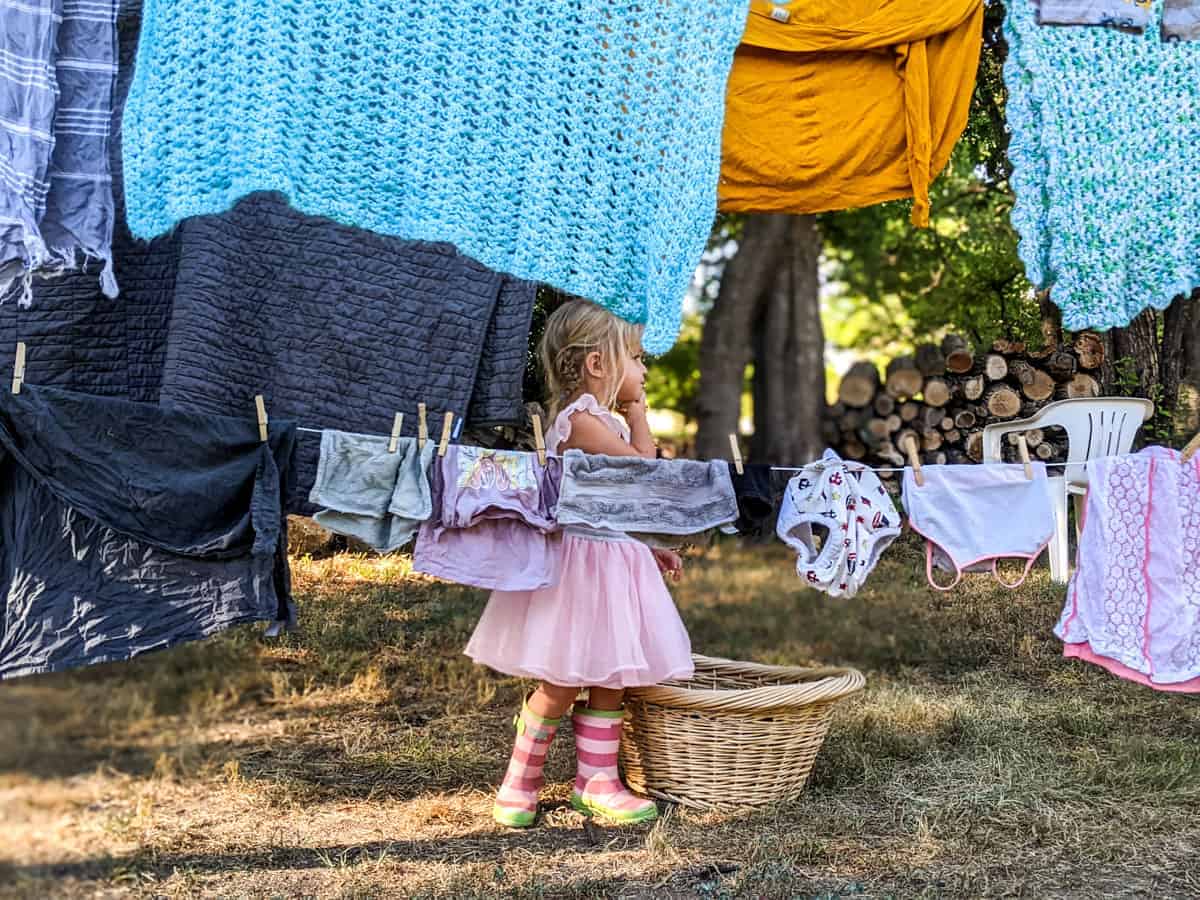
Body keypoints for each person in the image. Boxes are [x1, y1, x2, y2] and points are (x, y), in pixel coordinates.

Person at [465, 298, 693, 828]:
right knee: (565, 678)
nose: (643, 370)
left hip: (616, 558)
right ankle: (520, 778)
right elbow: (643, 471)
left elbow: (622, 499)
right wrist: (639, 413)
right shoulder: (581, 418)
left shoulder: (602, 419)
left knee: (613, 672)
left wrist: (646, 543)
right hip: (582, 566)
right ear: (597, 364)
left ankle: (597, 781)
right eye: (636, 358)